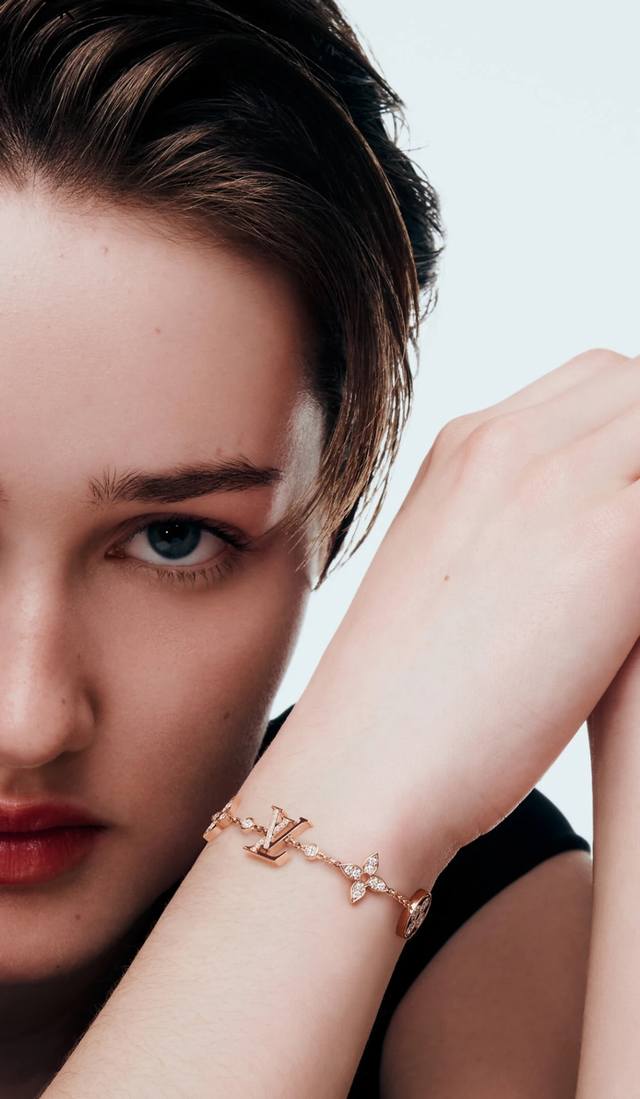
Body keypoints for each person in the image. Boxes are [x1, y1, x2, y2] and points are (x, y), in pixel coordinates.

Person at [3, 1, 626, 1096]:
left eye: (174, 538)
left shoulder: (469, 917)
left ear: (329, 520)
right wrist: (334, 813)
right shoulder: (372, 816)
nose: (29, 720)